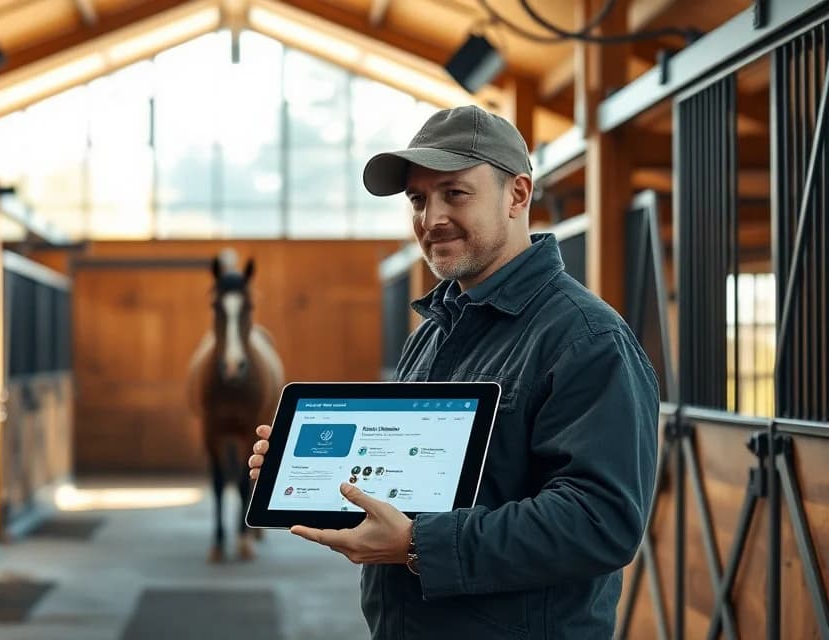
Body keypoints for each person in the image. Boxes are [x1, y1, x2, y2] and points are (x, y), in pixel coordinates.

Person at [247, 105, 659, 639]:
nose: (430, 217)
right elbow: (418, 489)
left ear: (518, 194)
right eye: (418, 199)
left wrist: (419, 545)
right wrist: (312, 478)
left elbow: (600, 521)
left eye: (454, 193)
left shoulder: (585, 339)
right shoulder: (434, 334)